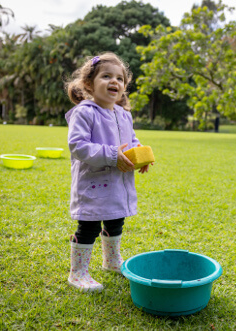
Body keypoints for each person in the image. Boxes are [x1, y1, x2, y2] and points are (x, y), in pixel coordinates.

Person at [64, 53, 150, 292]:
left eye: (120, 78)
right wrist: (113, 155)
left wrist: (140, 154)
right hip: (92, 182)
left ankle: (112, 261)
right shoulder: (85, 112)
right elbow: (78, 145)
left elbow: (131, 140)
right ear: (89, 84)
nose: (115, 82)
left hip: (118, 182)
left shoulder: (124, 114)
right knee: (89, 227)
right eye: (106, 76)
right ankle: (78, 272)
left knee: (115, 220)